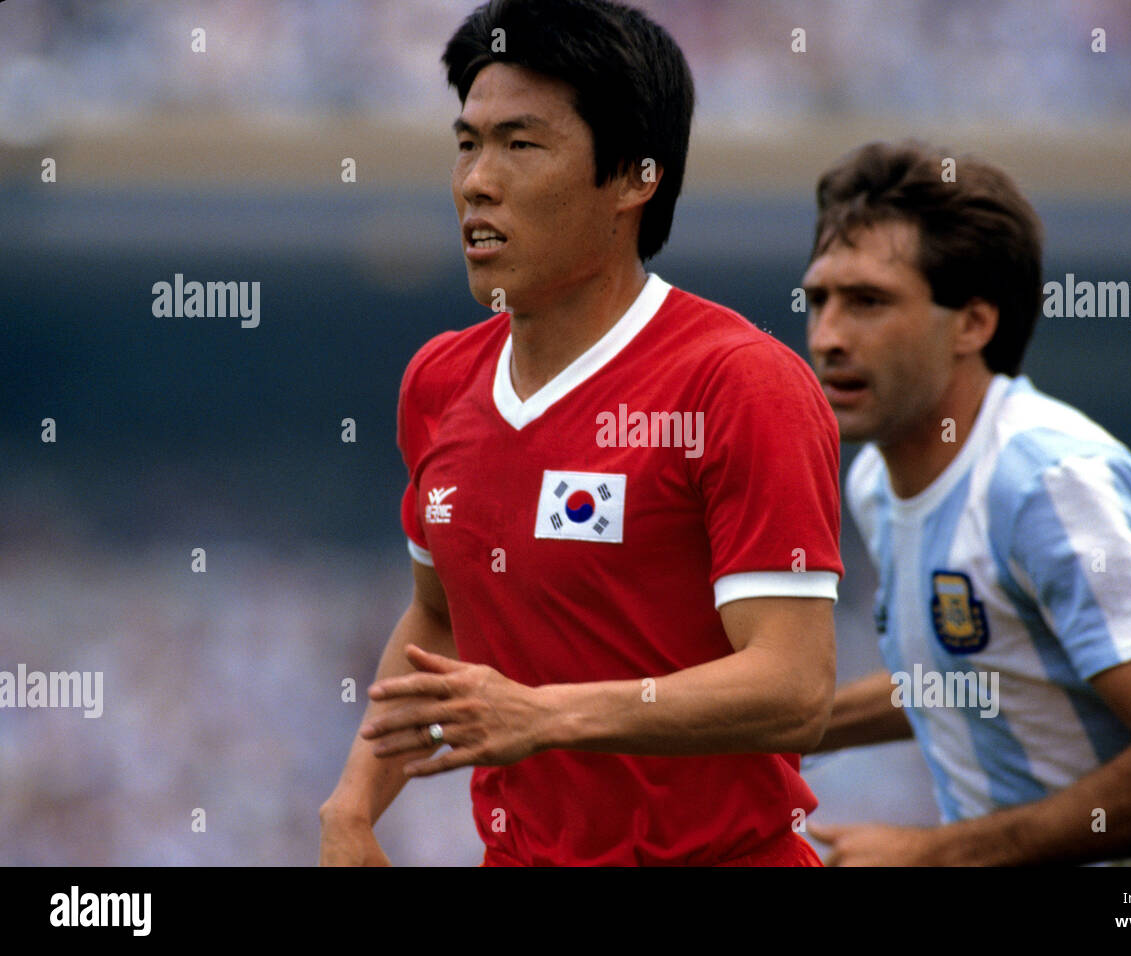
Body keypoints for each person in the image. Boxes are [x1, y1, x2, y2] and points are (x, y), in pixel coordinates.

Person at [319, 0, 843, 867]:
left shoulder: (737, 382)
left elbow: (794, 688)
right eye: (466, 144)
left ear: (637, 177)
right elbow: (438, 617)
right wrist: (351, 807)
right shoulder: (439, 381)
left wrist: (546, 715)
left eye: (521, 145)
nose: (477, 181)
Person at [801, 140, 1131, 866]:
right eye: (819, 299)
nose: (827, 337)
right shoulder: (876, 485)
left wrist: (937, 855)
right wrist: (784, 724)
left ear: (974, 324)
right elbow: (981, 665)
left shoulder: (1050, 483)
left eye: (868, 302)